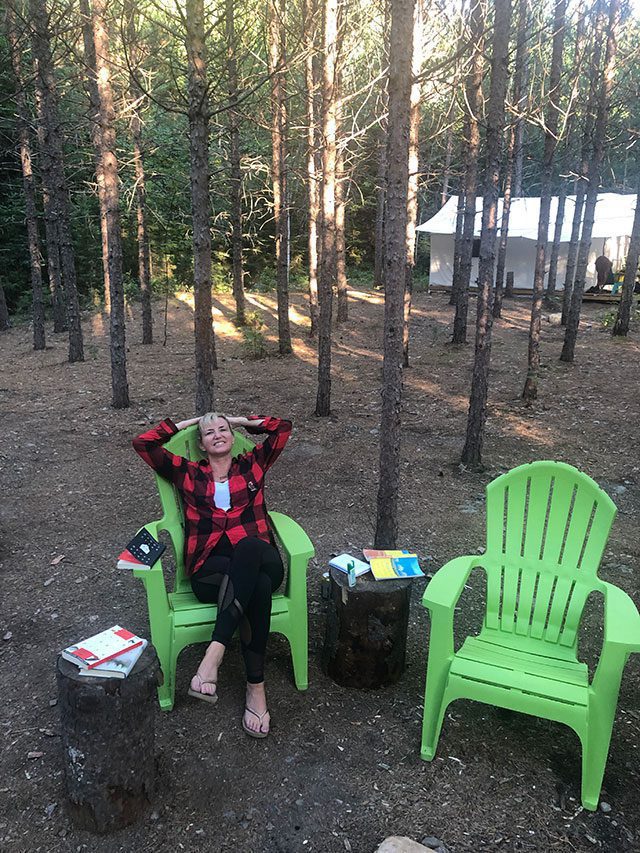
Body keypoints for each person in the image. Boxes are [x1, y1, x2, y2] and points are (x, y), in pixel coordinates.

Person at [133, 412, 292, 737]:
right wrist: (189, 424)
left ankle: (213, 653)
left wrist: (240, 420)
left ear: (233, 438)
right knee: (257, 587)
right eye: (209, 433)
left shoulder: (253, 463)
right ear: (202, 444)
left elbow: (282, 429)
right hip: (210, 571)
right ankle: (255, 688)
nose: (217, 435)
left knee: (249, 548)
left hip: (261, 557)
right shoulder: (187, 472)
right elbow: (143, 444)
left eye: (223, 430)